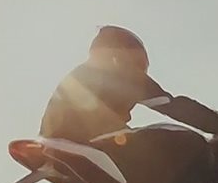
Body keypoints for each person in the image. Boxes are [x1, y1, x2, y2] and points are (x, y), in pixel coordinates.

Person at [38, 25, 171, 145]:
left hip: (49, 144)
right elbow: (170, 104)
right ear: (122, 54)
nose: (141, 73)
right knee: (166, 140)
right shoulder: (123, 72)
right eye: (139, 64)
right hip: (89, 142)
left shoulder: (76, 76)